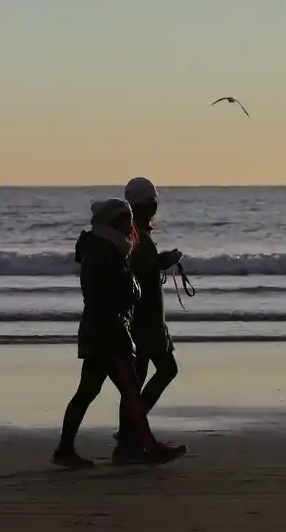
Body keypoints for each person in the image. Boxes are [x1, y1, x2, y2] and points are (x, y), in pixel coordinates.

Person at [53, 198, 186, 468]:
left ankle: (65, 449)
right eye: (125, 220)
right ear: (113, 223)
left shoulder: (101, 250)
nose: (130, 226)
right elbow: (114, 294)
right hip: (110, 332)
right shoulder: (106, 253)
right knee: (130, 391)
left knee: (88, 392)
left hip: (98, 331)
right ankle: (147, 447)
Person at [116, 176, 183, 450]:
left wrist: (161, 261)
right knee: (165, 370)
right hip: (147, 320)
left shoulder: (131, 234)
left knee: (139, 378)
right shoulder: (139, 236)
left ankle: (128, 439)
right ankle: (130, 434)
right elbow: (145, 270)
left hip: (139, 318)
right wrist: (165, 261)